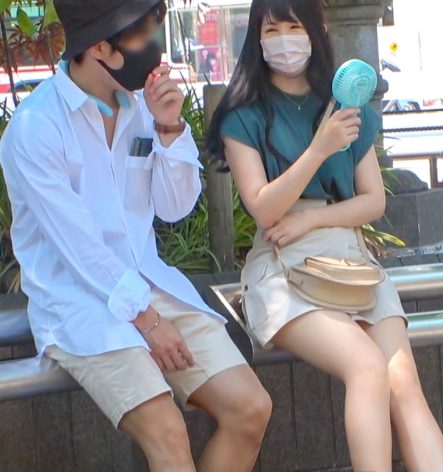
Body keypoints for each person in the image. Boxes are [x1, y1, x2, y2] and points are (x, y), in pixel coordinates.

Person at [0, 1, 272, 471]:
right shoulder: (36, 127)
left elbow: (175, 207)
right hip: (79, 304)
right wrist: (147, 320)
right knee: (167, 431)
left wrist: (168, 126)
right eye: (141, 34)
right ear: (98, 46)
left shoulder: (140, 106)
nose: (154, 46)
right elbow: (79, 249)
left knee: (250, 409)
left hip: (150, 283)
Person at [207, 0, 443, 470]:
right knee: (366, 365)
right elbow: (264, 208)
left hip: (349, 258)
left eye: (293, 26)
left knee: (404, 383)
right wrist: (319, 149)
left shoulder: (344, 106)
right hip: (284, 268)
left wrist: (312, 220)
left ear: (316, 30)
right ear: (256, 38)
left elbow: (373, 201)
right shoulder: (243, 114)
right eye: (270, 29)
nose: (282, 39)